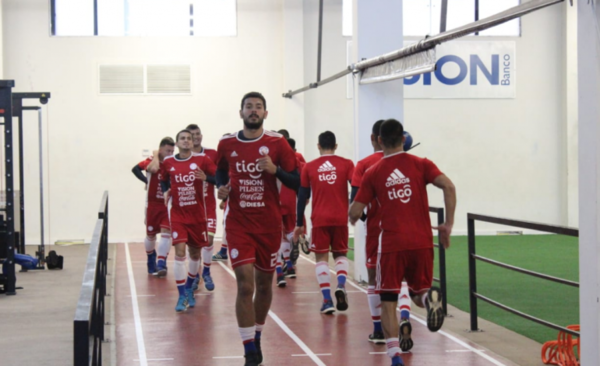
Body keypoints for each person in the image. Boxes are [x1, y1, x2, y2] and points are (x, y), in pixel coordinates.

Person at [349, 119, 456, 366]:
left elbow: (356, 210)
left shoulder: (372, 172)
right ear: (403, 139)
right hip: (422, 241)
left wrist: (353, 215)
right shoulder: (421, 164)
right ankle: (430, 300)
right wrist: (448, 225)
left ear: (378, 140)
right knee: (419, 293)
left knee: (388, 300)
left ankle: (395, 357)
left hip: (392, 244)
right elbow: (449, 187)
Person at [215, 92, 298, 366]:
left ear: (265, 113)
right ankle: (249, 349)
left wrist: (275, 170)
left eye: (258, 107)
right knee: (244, 285)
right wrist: (222, 187)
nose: (253, 111)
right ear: (241, 113)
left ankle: (257, 334)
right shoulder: (227, 142)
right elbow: (220, 171)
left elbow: (297, 181)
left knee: (264, 286)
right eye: (248, 107)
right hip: (239, 224)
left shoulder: (277, 142)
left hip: (268, 226)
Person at [350, 120, 413, 347]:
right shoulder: (409, 162)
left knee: (375, 280)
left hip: (378, 231)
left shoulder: (365, 165)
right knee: (403, 277)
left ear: (374, 139)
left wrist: (366, 219)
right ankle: (404, 317)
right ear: (400, 139)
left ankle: (378, 330)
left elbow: (355, 202)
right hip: (406, 228)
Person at [293, 131, 354, 314]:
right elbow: (357, 187)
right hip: (340, 218)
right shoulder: (347, 164)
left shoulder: (309, 167)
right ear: (336, 146)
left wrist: (299, 223)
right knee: (340, 255)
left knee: (321, 258)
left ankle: (327, 300)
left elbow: (303, 196)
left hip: (319, 219)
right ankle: (341, 285)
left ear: (318, 146)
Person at [161, 129, 217, 312]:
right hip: (178, 215)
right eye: (182, 139)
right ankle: (181, 295)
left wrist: (206, 178)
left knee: (195, 254)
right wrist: (166, 191)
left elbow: (220, 178)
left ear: (193, 143)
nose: (186, 141)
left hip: (198, 216)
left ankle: (189, 287)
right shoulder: (169, 162)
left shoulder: (202, 160)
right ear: (177, 143)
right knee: (179, 252)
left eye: (189, 139)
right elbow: (163, 179)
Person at [132, 137, 175, 275]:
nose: (170, 153)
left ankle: (161, 263)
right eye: (167, 150)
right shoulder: (152, 160)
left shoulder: (173, 163)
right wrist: (146, 180)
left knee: (166, 233)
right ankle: (151, 258)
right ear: (161, 149)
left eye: (172, 151)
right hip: (151, 204)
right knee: (150, 235)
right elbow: (136, 169)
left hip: (166, 204)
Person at [186, 124, 219, 291]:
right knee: (194, 248)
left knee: (209, 240)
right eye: (192, 135)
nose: (196, 137)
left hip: (209, 207)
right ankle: (195, 274)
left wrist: (207, 178)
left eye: (198, 134)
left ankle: (206, 272)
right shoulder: (183, 158)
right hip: (191, 210)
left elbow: (220, 176)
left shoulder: (211, 154)